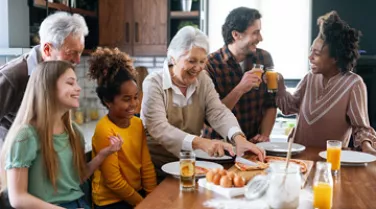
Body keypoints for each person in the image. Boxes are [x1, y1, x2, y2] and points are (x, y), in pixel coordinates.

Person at [141, 26, 265, 180]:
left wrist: (238, 138)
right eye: (191, 61)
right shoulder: (154, 83)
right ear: (173, 58)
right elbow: (159, 128)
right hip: (155, 171)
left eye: (202, 61)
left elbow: (218, 111)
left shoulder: (203, 79)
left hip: (190, 167)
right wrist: (201, 143)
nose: (198, 68)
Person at [0, 61, 123, 209]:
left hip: (80, 204)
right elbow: (18, 198)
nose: (78, 88)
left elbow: (76, 179)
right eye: (70, 83)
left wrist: (102, 155)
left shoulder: (74, 133)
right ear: (48, 88)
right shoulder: (25, 136)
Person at [276, 11, 376, 154]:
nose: (310, 57)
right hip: (298, 158)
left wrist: (367, 147)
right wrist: (280, 88)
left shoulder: (353, 84)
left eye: (316, 54)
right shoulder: (309, 77)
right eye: (311, 51)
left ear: (335, 58)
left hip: (330, 162)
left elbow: (361, 128)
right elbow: (289, 107)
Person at [0, 11, 88, 142]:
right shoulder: (12, 76)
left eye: (80, 53)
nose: (77, 60)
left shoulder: (61, 71)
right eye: (71, 53)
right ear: (47, 49)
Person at [88, 48, 156, 209]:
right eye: (126, 99)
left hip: (134, 193)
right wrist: (143, 203)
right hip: (110, 201)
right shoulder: (104, 130)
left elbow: (146, 165)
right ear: (108, 101)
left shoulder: (137, 123)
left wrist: (153, 197)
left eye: (135, 97)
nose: (133, 104)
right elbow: (113, 181)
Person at [202, 7, 277, 143]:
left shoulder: (264, 58)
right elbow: (210, 116)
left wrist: (264, 136)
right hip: (219, 149)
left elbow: (271, 104)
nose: (261, 38)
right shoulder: (209, 65)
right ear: (236, 35)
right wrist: (240, 88)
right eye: (255, 33)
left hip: (253, 146)